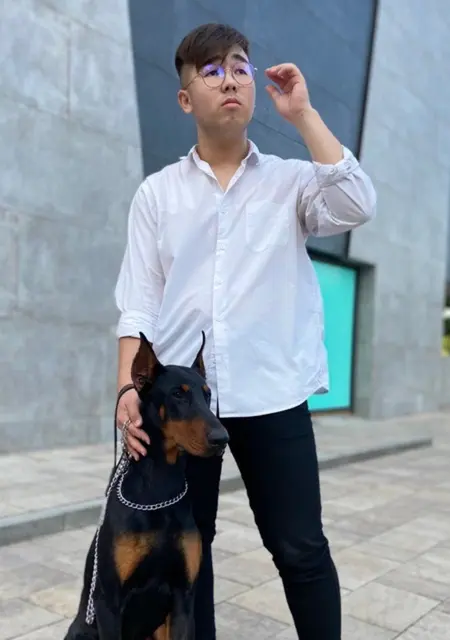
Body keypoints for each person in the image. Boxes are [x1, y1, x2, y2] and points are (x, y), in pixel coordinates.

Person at [114, 22, 376, 640]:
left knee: (300, 548)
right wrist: (127, 388)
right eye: (212, 71)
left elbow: (358, 204)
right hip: (181, 403)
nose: (229, 79)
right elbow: (139, 303)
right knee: (188, 553)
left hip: (272, 393)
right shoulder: (157, 195)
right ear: (185, 99)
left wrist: (304, 114)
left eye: (239, 67)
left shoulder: (292, 182)